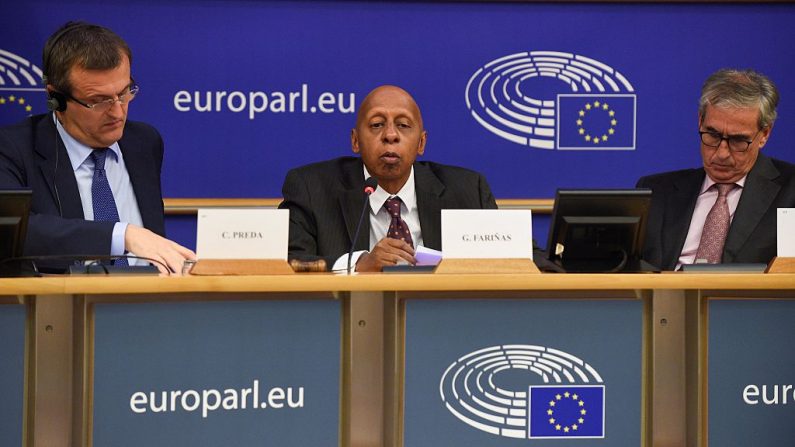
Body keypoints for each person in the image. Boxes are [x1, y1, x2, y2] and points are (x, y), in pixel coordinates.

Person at [0, 21, 195, 274]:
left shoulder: (144, 142)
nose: (117, 112)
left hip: (150, 305)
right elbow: (11, 231)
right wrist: (122, 236)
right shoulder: (13, 148)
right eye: (99, 101)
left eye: (124, 93)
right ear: (56, 98)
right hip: (60, 307)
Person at [279, 85, 497, 272]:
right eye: (376, 124)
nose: (390, 135)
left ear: (421, 143)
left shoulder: (468, 190)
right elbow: (288, 261)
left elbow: (526, 260)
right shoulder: (310, 188)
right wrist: (358, 263)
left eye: (403, 125)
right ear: (355, 141)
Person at [637, 68, 795, 270]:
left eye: (738, 140)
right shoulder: (656, 191)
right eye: (712, 135)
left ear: (764, 134)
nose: (721, 153)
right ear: (700, 120)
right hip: (666, 298)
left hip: (746, 300)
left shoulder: (790, 193)